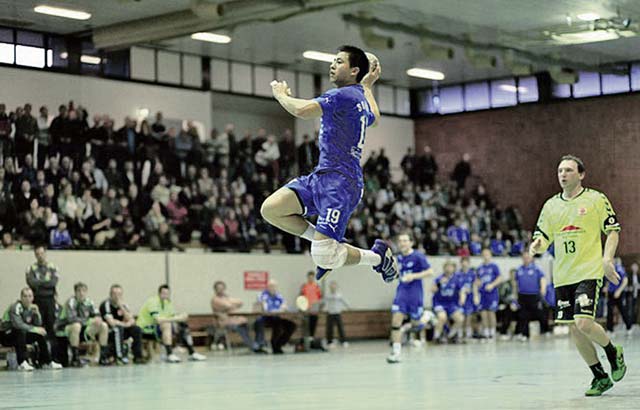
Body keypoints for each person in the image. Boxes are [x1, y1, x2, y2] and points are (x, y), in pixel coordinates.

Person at [261, 45, 398, 283]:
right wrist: (368, 86)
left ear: (354, 70)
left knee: (324, 257)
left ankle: (378, 257)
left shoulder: (342, 95)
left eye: (338, 61)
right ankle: (327, 243)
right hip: (321, 176)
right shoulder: (358, 98)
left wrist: (281, 95)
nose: (332, 65)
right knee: (271, 209)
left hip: (341, 183)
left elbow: (303, 110)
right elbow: (374, 118)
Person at [530, 154, 626, 396]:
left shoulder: (595, 199)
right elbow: (542, 237)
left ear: (581, 174)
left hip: (588, 271)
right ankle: (600, 377)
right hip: (563, 276)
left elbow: (613, 231)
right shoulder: (551, 205)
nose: (563, 174)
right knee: (574, 328)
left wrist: (607, 259)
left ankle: (613, 353)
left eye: (569, 170)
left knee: (583, 322)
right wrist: (537, 246)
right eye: (560, 170)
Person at [387, 232, 433, 363]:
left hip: (415, 294)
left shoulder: (418, 256)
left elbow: (430, 271)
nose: (402, 243)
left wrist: (414, 276)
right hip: (401, 293)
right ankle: (396, 353)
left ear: (411, 243)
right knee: (396, 321)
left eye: (405, 240)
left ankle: (426, 316)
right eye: (400, 241)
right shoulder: (399, 258)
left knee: (416, 324)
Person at [136, 284, 206, 363]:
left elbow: (172, 316)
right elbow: (158, 320)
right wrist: (176, 318)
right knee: (167, 324)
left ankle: (192, 352)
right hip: (146, 328)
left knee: (182, 325)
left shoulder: (167, 302)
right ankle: (170, 353)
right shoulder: (152, 302)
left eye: (167, 293)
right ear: (159, 293)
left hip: (158, 328)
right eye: (163, 293)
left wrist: (181, 316)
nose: (165, 295)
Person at [0, 288, 62, 371]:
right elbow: (18, 325)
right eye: (25, 296)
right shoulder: (15, 307)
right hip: (6, 335)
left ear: (33, 298)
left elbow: (38, 325)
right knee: (20, 331)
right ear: (21, 298)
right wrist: (35, 328)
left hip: (21, 336)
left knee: (40, 334)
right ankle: (22, 362)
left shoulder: (32, 308)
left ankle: (46, 362)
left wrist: (37, 314)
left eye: (30, 296)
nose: (27, 299)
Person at [57, 282, 110, 367]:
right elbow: (71, 319)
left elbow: (96, 314)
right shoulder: (70, 302)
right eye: (79, 291)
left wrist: (98, 318)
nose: (81, 293)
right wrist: (89, 321)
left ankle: (103, 357)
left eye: (83, 291)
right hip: (64, 329)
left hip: (83, 329)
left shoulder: (89, 302)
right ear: (75, 292)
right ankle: (75, 358)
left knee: (103, 325)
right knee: (76, 326)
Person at [210, 281, 266, 353]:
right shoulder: (214, 299)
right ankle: (254, 346)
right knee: (239, 327)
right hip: (226, 322)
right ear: (215, 290)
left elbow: (240, 302)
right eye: (219, 288)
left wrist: (230, 303)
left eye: (222, 288)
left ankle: (260, 343)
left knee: (258, 321)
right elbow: (227, 305)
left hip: (237, 320)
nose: (221, 290)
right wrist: (232, 304)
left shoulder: (227, 297)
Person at [99, 284, 145, 364]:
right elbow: (111, 322)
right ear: (110, 294)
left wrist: (121, 307)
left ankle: (138, 356)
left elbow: (132, 320)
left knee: (137, 329)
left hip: (122, 330)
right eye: (115, 294)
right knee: (117, 329)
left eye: (119, 294)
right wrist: (125, 324)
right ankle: (120, 356)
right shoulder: (106, 305)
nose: (117, 297)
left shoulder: (123, 305)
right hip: (108, 332)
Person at [25, 246, 59, 346]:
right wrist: (45, 283)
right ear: (35, 255)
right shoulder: (31, 268)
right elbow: (31, 282)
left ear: (45, 253)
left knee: (51, 326)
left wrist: (39, 283)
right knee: (38, 325)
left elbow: (53, 283)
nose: (40, 256)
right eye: (37, 254)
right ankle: (39, 353)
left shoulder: (53, 267)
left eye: (42, 253)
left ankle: (52, 355)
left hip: (50, 300)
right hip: (37, 299)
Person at [254, 280, 296, 354]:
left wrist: (284, 308)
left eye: (274, 286)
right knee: (277, 325)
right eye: (271, 286)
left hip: (277, 317)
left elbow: (284, 305)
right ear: (267, 287)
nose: (273, 288)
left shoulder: (278, 295)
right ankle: (273, 346)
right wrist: (278, 310)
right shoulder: (262, 295)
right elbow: (266, 309)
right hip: (266, 318)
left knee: (292, 325)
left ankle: (279, 344)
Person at [514, 252, 548, 341]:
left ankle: (545, 331)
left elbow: (542, 278)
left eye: (528, 257)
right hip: (522, 295)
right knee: (523, 315)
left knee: (539, 313)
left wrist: (543, 289)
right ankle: (525, 334)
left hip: (534, 295)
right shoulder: (519, 269)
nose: (526, 259)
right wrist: (515, 295)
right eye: (524, 257)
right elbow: (515, 283)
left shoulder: (536, 268)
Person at [432, 261, 465, 343]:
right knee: (442, 317)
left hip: (451, 304)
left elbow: (462, 290)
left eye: (450, 267)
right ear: (444, 268)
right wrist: (439, 284)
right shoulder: (439, 278)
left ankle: (450, 336)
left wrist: (462, 298)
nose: (448, 269)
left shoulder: (456, 279)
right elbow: (432, 290)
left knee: (460, 319)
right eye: (447, 267)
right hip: (440, 303)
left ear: (454, 268)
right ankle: (436, 337)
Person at [476, 249, 502, 340]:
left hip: (492, 293)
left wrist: (492, 285)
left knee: (491, 312)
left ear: (490, 255)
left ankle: (492, 332)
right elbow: (477, 280)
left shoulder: (494, 266)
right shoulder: (479, 268)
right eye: (484, 254)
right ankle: (486, 332)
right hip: (482, 293)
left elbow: (499, 278)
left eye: (487, 254)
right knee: (483, 313)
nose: (485, 256)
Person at [604, 258, 633, 336]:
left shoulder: (619, 268)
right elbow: (608, 281)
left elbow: (625, 280)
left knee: (623, 310)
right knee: (609, 311)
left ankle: (629, 327)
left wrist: (619, 291)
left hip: (619, 293)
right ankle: (610, 330)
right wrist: (606, 288)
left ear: (613, 260)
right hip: (611, 293)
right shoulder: (608, 269)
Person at [321, 281, 350, 347]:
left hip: (337, 313)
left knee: (340, 328)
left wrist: (348, 307)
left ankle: (343, 341)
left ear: (336, 287)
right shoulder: (327, 295)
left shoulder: (339, 295)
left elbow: (344, 301)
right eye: (331, 286)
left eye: (334, 286)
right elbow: (323, 302)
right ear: (330, 288)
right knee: (329, 328)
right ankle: (329, 342)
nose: (333, 288)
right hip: (330, 313)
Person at [300, 271, 322, 339]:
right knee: (306, 324)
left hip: (314, 309)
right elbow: (301, 297)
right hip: (306, 309)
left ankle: (312, 337)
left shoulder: (317, 286)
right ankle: (306, 338)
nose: (310, 279)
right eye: (309, 277)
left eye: (312, 278)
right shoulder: (304, 286)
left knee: (313, 323)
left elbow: (320, 297)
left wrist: (318, 307)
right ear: (307, 278)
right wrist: (303, 308)